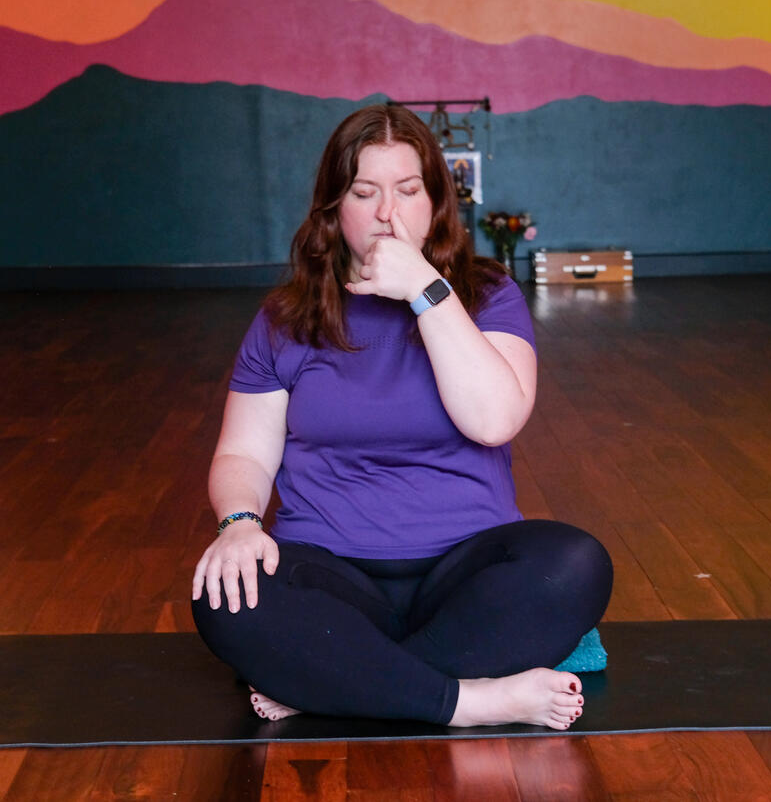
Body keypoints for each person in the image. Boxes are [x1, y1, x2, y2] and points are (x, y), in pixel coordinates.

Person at [190, 104, 613, 730]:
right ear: (335, 208)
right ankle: (469, 702)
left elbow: (494, 420)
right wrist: (241, 524)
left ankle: (336, 682)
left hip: (465, 572)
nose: (388, 213)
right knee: (224, 597)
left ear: (436, 202)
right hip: (331, 572)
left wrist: (426, 289)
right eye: (365, 193)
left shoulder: (488, 295)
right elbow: (244, 455)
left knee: (576, 564)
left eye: (408, 191)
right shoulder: (286, 318)